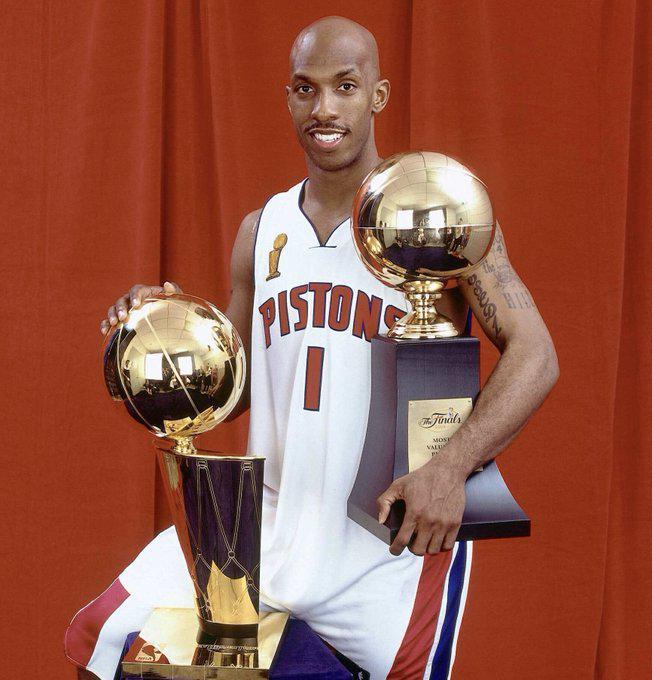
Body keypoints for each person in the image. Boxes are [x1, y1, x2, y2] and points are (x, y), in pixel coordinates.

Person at [68, 16, 558, 680]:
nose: (324, 108)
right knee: (107, 640)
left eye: (345, 86)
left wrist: (451, 470)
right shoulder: (261, 229)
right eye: (306, 88)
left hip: (382, 548)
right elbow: (235, 388)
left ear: (378, 96)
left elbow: (536, 355)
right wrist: (170, 329)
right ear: (290, 98)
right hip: (264, 530)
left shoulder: (434, 213)